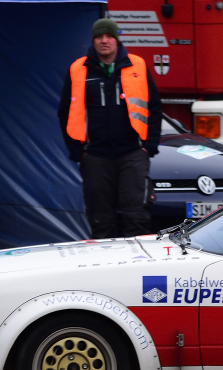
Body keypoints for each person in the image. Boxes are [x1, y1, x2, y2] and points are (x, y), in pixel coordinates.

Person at [58, 18, 162, 239]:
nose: (104, 41)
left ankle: (138, 270)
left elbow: (153, 107)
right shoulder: (79, 69)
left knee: (136, 218)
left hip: (133, 152)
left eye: (109, 36)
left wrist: (149, 146)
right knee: (100, 220)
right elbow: (65, 111)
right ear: (93, 40)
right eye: (99, 37)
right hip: (95, 156)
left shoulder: (138, 65)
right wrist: (78, 152)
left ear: (116, 39)